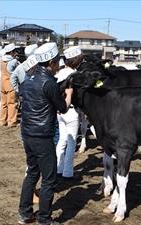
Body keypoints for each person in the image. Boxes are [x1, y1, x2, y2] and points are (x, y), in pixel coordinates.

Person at [18, 42, 73, 225]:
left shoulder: (28, 80)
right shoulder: (48, 83)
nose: (59, 65)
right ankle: (44, 219)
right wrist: (69, 93)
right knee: (49, 179)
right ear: (51, 62)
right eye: (57, 61)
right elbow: (63, 108)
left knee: (32, 174)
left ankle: (25, 214)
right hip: (42, 136)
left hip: (27, 134)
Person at [55, 46, 82, 179]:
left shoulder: (59, 73)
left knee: (62, 140)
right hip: (71, 111)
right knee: (71, 143)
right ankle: (68, 172)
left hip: (59, 111)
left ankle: (58, 168)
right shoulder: (75, 75)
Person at [0, 43, 19, 127]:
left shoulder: (1, 60)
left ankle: (2, 121)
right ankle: (12, 121)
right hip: (10, 85)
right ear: (11, 52)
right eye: (15, 51)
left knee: (3, 103)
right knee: (12, 104)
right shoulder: (13, 61)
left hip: (2, 84)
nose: (16, 53)